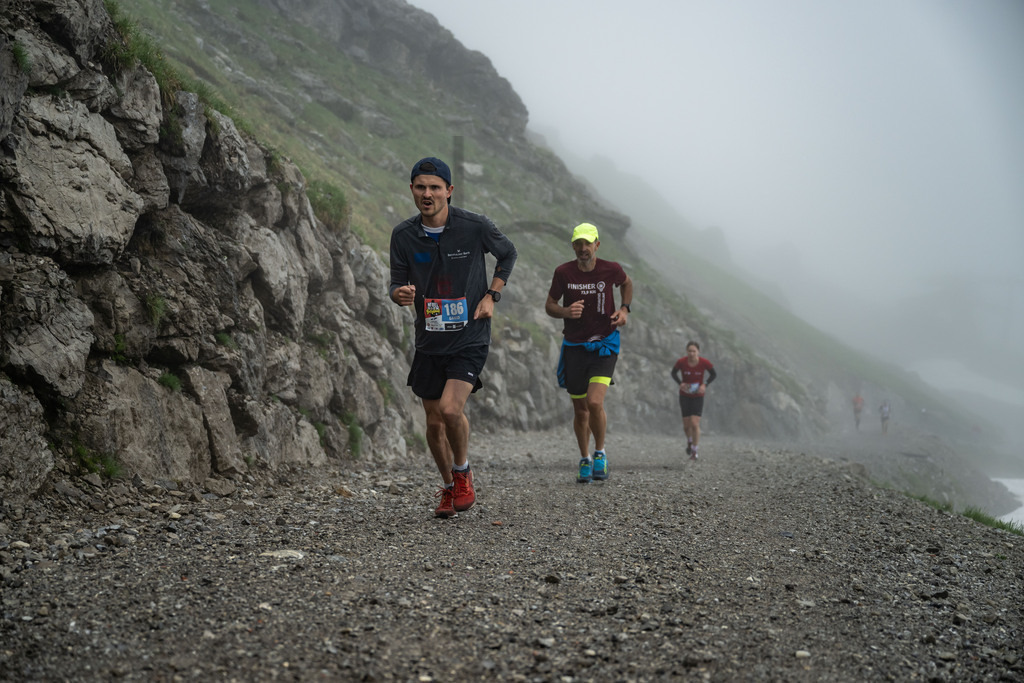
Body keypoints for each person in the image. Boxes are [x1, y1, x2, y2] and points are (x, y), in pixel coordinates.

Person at [389, 157, 518, 518]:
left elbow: (508, 253)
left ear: (449, 191)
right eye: (420, 187)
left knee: (450, 409)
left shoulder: (474, 226)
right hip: (429, 339)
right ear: (412, 190)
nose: (427, 194)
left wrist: (492, 295)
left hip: (469, 336)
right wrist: (399, 294)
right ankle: (448, 486)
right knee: (433, 423)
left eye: (434, 187)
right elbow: (396, 282)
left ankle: (462, 473)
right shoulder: (403, 235)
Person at [545, 222, 633, 483]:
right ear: (573, 246)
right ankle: (584, 458)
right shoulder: (563, 272)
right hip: (575, 347)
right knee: (581, 409)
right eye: (578, 244)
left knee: (595, 402)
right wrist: (565, 311)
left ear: (597, 245)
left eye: (588, 243)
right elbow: (550, 305)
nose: (583, 248)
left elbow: (627, 283)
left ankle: (600, 454)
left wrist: (625, 309)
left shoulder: (611, 269)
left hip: (605, 344)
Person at [671, 341, 716, 460]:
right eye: (689, 351)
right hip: (685, 395)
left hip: (698, 396)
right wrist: (680, 383)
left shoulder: (704, 362)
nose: (691, 353)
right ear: (687, 351)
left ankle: (694, 451)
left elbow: (713, 374)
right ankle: (689, 441)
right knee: (686, 426)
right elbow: (673, 373)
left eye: (694, 351)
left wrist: (704, 384)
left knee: (694, 423)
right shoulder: (681, 362)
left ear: (698, 352)